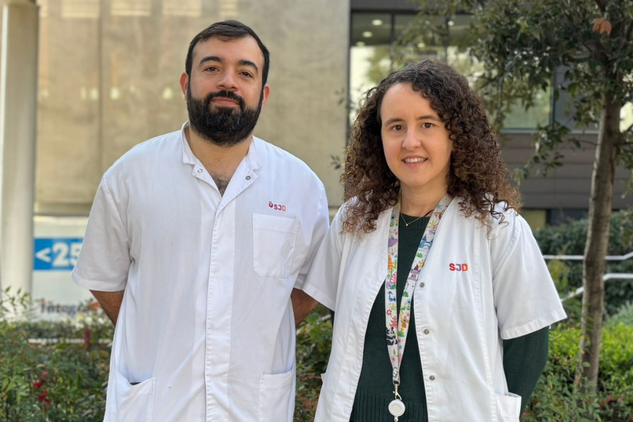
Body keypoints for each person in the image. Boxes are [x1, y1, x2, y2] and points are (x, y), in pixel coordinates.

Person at [72, 20, 328, 422]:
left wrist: (250, 331)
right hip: (156, 407)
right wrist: (161, 327)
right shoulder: (131, 176)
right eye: (212, 68)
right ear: (185, 83)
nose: (228, 81)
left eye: (245, 72)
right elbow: (104, 281)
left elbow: (306, 290)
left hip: (254, 408)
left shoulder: (301, 187)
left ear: (263, 94)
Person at [300, 60, 567, 422]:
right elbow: (344, 323)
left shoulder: (497, 227)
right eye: (396, 126)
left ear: (455, 134)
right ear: (379, 137)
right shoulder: (354, 220)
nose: (410, 141)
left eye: (427, 124)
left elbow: (528, 345)